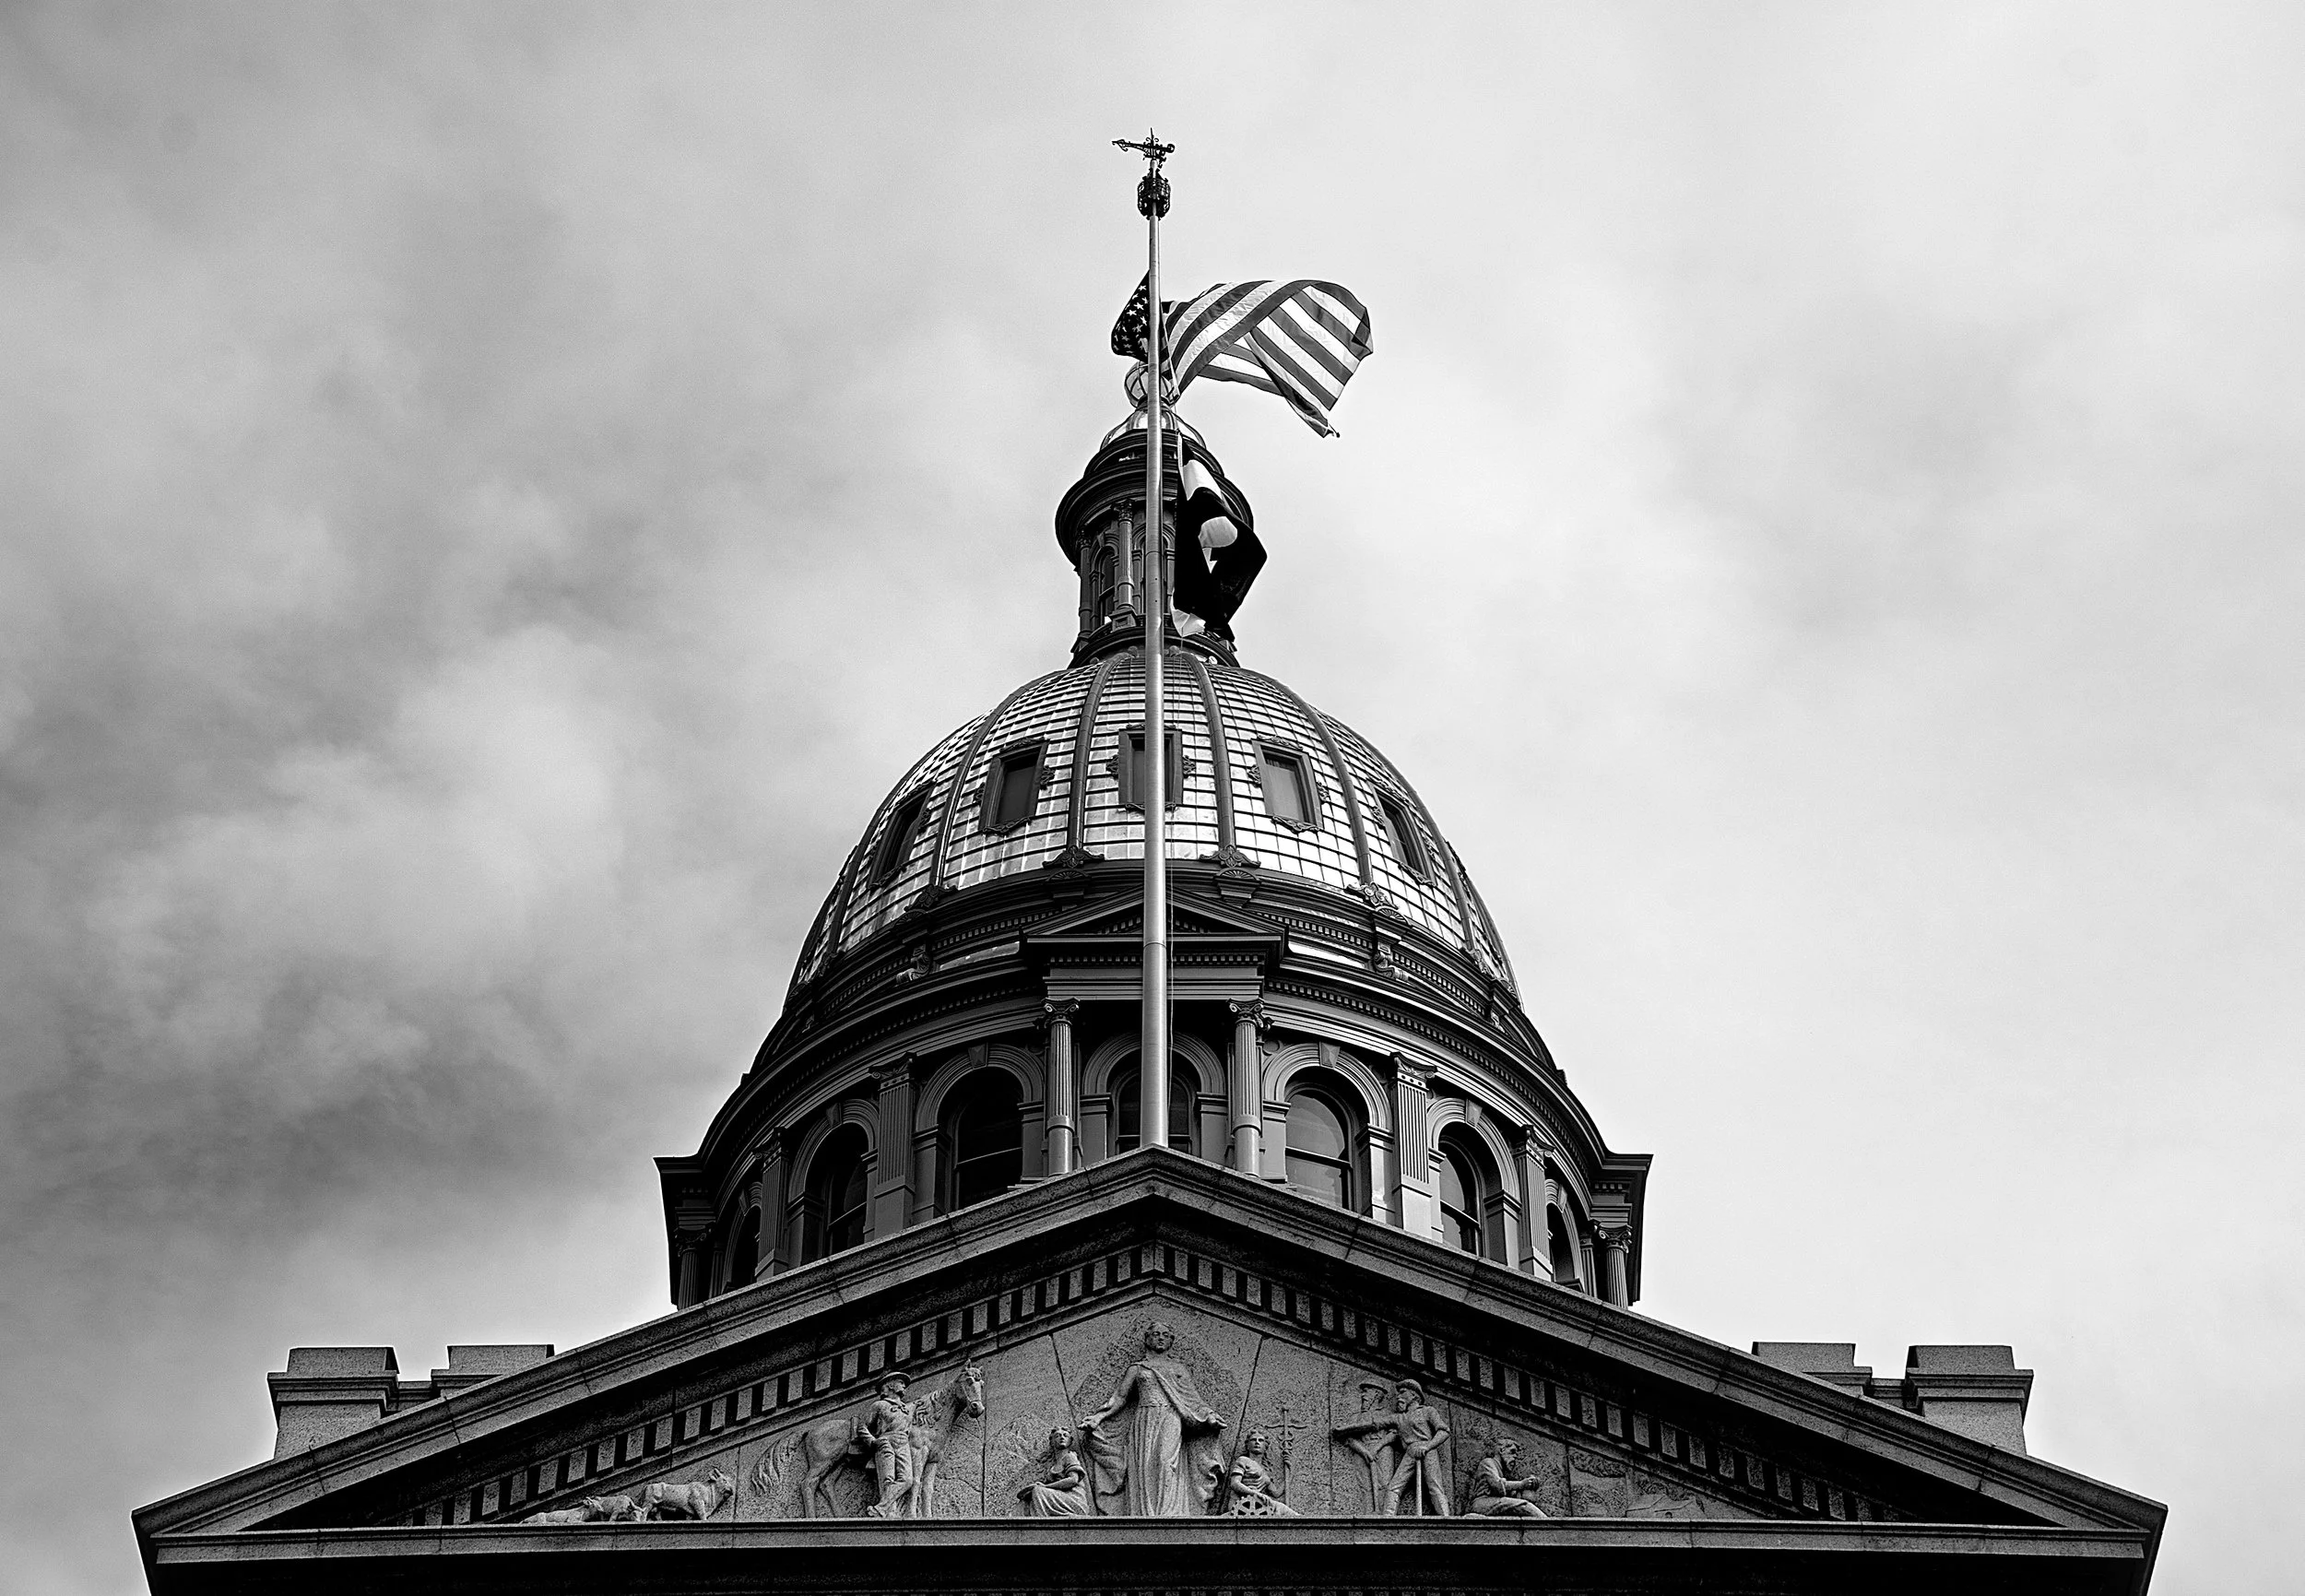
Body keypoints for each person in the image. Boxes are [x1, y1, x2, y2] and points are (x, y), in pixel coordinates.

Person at [1077, 1321, 1228, 1515]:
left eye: (1165, 1335)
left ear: (1171, 1341)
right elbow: (1120, 1397)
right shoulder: (1138, 1368)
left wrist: (1209, 1416)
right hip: (1144, 1419)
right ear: (1147, 1339)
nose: (1160, 1338)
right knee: (1145, 1466)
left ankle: (1168, 1512)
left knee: (1165, 1462)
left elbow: (1193, 1399)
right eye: (1156, 1334)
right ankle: (1144, 1512)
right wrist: (1099, 1417)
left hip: (1170, 1417)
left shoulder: (1178, 1369)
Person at [1331, 1378, 1451, 1516]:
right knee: (1394, 1488)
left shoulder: (1428, 1411)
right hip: (1410, 1451)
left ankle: (1446, 1518)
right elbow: (1374, 1424)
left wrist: (1428, 1446)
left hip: (1427, 1450)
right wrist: (1345, 1429)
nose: (1398, 1396)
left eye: (1402, 1392)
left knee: (1434, 1486)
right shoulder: (1399, 1418)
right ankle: (1388, 1517)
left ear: (1414, 1395)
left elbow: (1444, 1431)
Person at [860, 1372, 916, 1517]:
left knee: (908, 1480)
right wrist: (873, 1442)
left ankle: (880, 1508)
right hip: (886, 1441)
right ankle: (890, 1513)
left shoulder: (908, 1409)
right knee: (887, 1479)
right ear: (890, 1385)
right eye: (900, 1381)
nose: (904, 1385)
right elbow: (862, 1427)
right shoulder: (879, 1405)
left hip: (903, 1442)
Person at [1337, 1380, 1398, 1513]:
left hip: (1383, 1449)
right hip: (1361, 1450)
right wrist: (1363, 1451)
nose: (1363, 1395)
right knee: (1365, 1485)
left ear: (1376, 1394)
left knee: (1384, 1484)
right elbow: (1349, 1438)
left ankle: (1384, 1515)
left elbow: (1394, 1433)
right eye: (1362, 1392)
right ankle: (1368, 1514)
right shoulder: (1356, 1417)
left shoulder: (1386, 1413)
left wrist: (1379, 1446)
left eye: (1366, 1391)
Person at [1218, 1430, 1298, 1516]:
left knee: (1291, 1514)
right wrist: (1256, 1494)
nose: (1257, 1442)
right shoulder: (1243, 1460)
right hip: (1243, 1502)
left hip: (1258, 1502)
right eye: (1253, 1440)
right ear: (1248, 1446)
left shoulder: (1265, 1470)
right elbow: (1234, 1483)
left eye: (1260, 1440)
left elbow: (1276, 1493)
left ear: (1265, 1447)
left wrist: (1291, 1472)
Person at [1467, 1438, 1549, 1517]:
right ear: (1502, 1450)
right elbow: (1497, 1485)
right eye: (1512, 1452)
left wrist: (1530, 1484)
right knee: (1525, 1506)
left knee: (1522, 1505)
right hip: (1481, 1503)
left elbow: (1504, 1491)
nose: (1515, 1457)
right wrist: (1521, 1484)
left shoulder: (1500, 1470)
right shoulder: (1488, 1462)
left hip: (1490, 1502)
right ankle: (1550, 1527)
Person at [1019, 1427, 1091, 1517]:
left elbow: (1073, 1480)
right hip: (1060, 1496)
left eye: (1065, 1435)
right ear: (1052, 1441)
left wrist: (1045, 1487)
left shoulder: (1070, 1457)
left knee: (1038, 1491)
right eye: (1057, 1436)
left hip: (1074, 1499)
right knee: (1027, 1499)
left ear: (1070, 1441)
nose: (1062, 1437)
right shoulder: (1051, 1463)